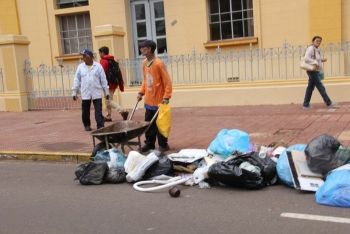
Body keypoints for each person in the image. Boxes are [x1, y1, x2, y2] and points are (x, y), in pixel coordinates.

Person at [137, 40, 172, 153]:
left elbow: (167, 82)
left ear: (150, 49)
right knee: (149, 124)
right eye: (141, 48)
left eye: (144, 48)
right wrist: (141, 92)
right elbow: (145, 80)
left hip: (159, 100)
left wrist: (166, 96)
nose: (141, 50)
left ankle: (163, 144)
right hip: (149, 100)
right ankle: (149, 144)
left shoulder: (158, 63)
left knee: (160, 123)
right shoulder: (144, 63)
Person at [72, 49, 109, 131]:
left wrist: (106, 92)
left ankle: (100, 125)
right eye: (83, 56)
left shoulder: (98, 66)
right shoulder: (80, 67)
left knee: (98, 110)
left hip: (96, 92)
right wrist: (74, 92)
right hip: (85, 92)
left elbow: (103, 80)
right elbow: (76, 79)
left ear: (91, 57)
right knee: (85, 111)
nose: (83, 58)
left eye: (85, 56)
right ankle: (87, 125)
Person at [302, 36, 337, 109]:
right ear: (313, 41)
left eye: (320, 41)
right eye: (317, 41)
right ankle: (329, 103)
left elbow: (316, 58)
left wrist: (321, 59)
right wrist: (315, 62)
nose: (319, 42)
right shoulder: (311, 48)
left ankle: (305, 104)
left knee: (310, 88)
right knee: (321, 87)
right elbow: (306, 58)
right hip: (312, 71)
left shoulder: (316, 49)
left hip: (315, 71)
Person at [98, 46, 127, 121]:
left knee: (108, 100)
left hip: (107, 84)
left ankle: (122, 111)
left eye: (100, 53)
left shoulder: (103, 61)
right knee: (108, 99)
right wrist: (120, 84)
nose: (99, 54)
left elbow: (101, 73)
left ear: (103, 53)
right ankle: (108, 116)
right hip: (114, 83)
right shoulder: (113, 60)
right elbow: (119, 73)